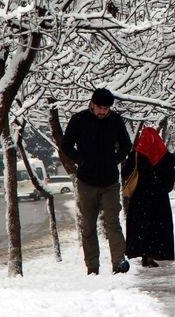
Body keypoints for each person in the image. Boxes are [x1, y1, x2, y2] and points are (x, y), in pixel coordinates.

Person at [62, 88, 132, 275]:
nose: (103, 112)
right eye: (100, 108)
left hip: (110, 181)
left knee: (113, 222)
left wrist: (115, 159)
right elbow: (66, 145)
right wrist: (81, 160)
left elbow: (126, 144)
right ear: (92, 104)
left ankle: (119, 262)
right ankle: (92, 267)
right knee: (88, 225)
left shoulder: (115, 120)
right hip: (86, 181)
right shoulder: (79, 120)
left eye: (106, 109)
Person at [123, 126, 175, 266]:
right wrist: (162, 188)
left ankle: (144, 252)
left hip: (140, 198)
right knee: (157, 227)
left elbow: (126, 173)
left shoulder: (136, 155)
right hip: (159, 198)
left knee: (141, 226)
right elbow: (170, 178)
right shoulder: (164, 156)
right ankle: (154, 253)